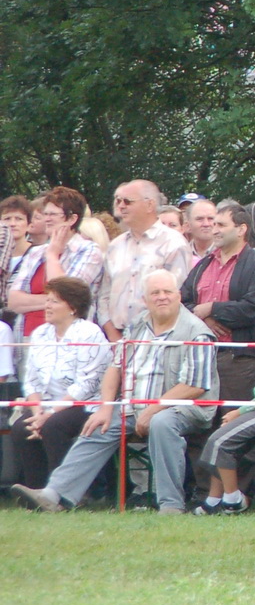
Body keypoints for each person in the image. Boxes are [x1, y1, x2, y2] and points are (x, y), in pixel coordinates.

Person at [9, 270, 214, 513]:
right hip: (133, 406)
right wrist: (106, 407)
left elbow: (194, 385)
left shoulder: (195, 331)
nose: (162, 297)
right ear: (145, 299)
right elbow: (115, 367)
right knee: (96, 424)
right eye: (155, 293)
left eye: (167, 292)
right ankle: (54, 495)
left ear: (178, 296)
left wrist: (153, 408)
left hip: (181, 407)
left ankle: (170, 505)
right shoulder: (138, 324)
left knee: (161, 423)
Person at [192, 300, 255, 515]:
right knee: (218, 436)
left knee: (221, 441)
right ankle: (214, 498)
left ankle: (234, 499)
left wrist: (239, 411)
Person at [7, 278, 110, 490]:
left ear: (72, 307)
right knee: (21, 427)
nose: (47, 306)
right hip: (45, 406)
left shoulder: (90, 333)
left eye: (53, 301)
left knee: (54, 426)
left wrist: (49, 414)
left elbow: (86, 384)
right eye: (47, 300)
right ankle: (35, 490)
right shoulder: (40, 334)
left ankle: (61, 492)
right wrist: (37, 414)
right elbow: (31, 381)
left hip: (82, 405)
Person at [181, 202, 255, 412]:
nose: (214, 229)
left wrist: (213, 308)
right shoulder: (203, 265)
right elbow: (182, 301)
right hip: (200, 359)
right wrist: (204, 319)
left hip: (238, 362)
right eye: (214, 224)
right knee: (198, 429)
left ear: (242, 229)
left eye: (221, 225)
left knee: (230, 425)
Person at [100, 180, 194, 342]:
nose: (121, 206)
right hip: (116, 338)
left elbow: (177, 296)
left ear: (150, 205)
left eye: (128, 201)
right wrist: (113, 335)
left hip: (157, 338)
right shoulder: (115, 246)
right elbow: (103, 296)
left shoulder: (173, 243)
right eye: (119, 201)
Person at [6, 187, 105, 338]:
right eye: (45, 214)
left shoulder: (89, 252)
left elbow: (67, 296)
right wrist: (54, 302)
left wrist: (52, 256)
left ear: (72, 219)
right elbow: (13, 302)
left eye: (53, 214)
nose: (47, 219)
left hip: (68, 339)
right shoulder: (36, 252)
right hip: (27, 338)